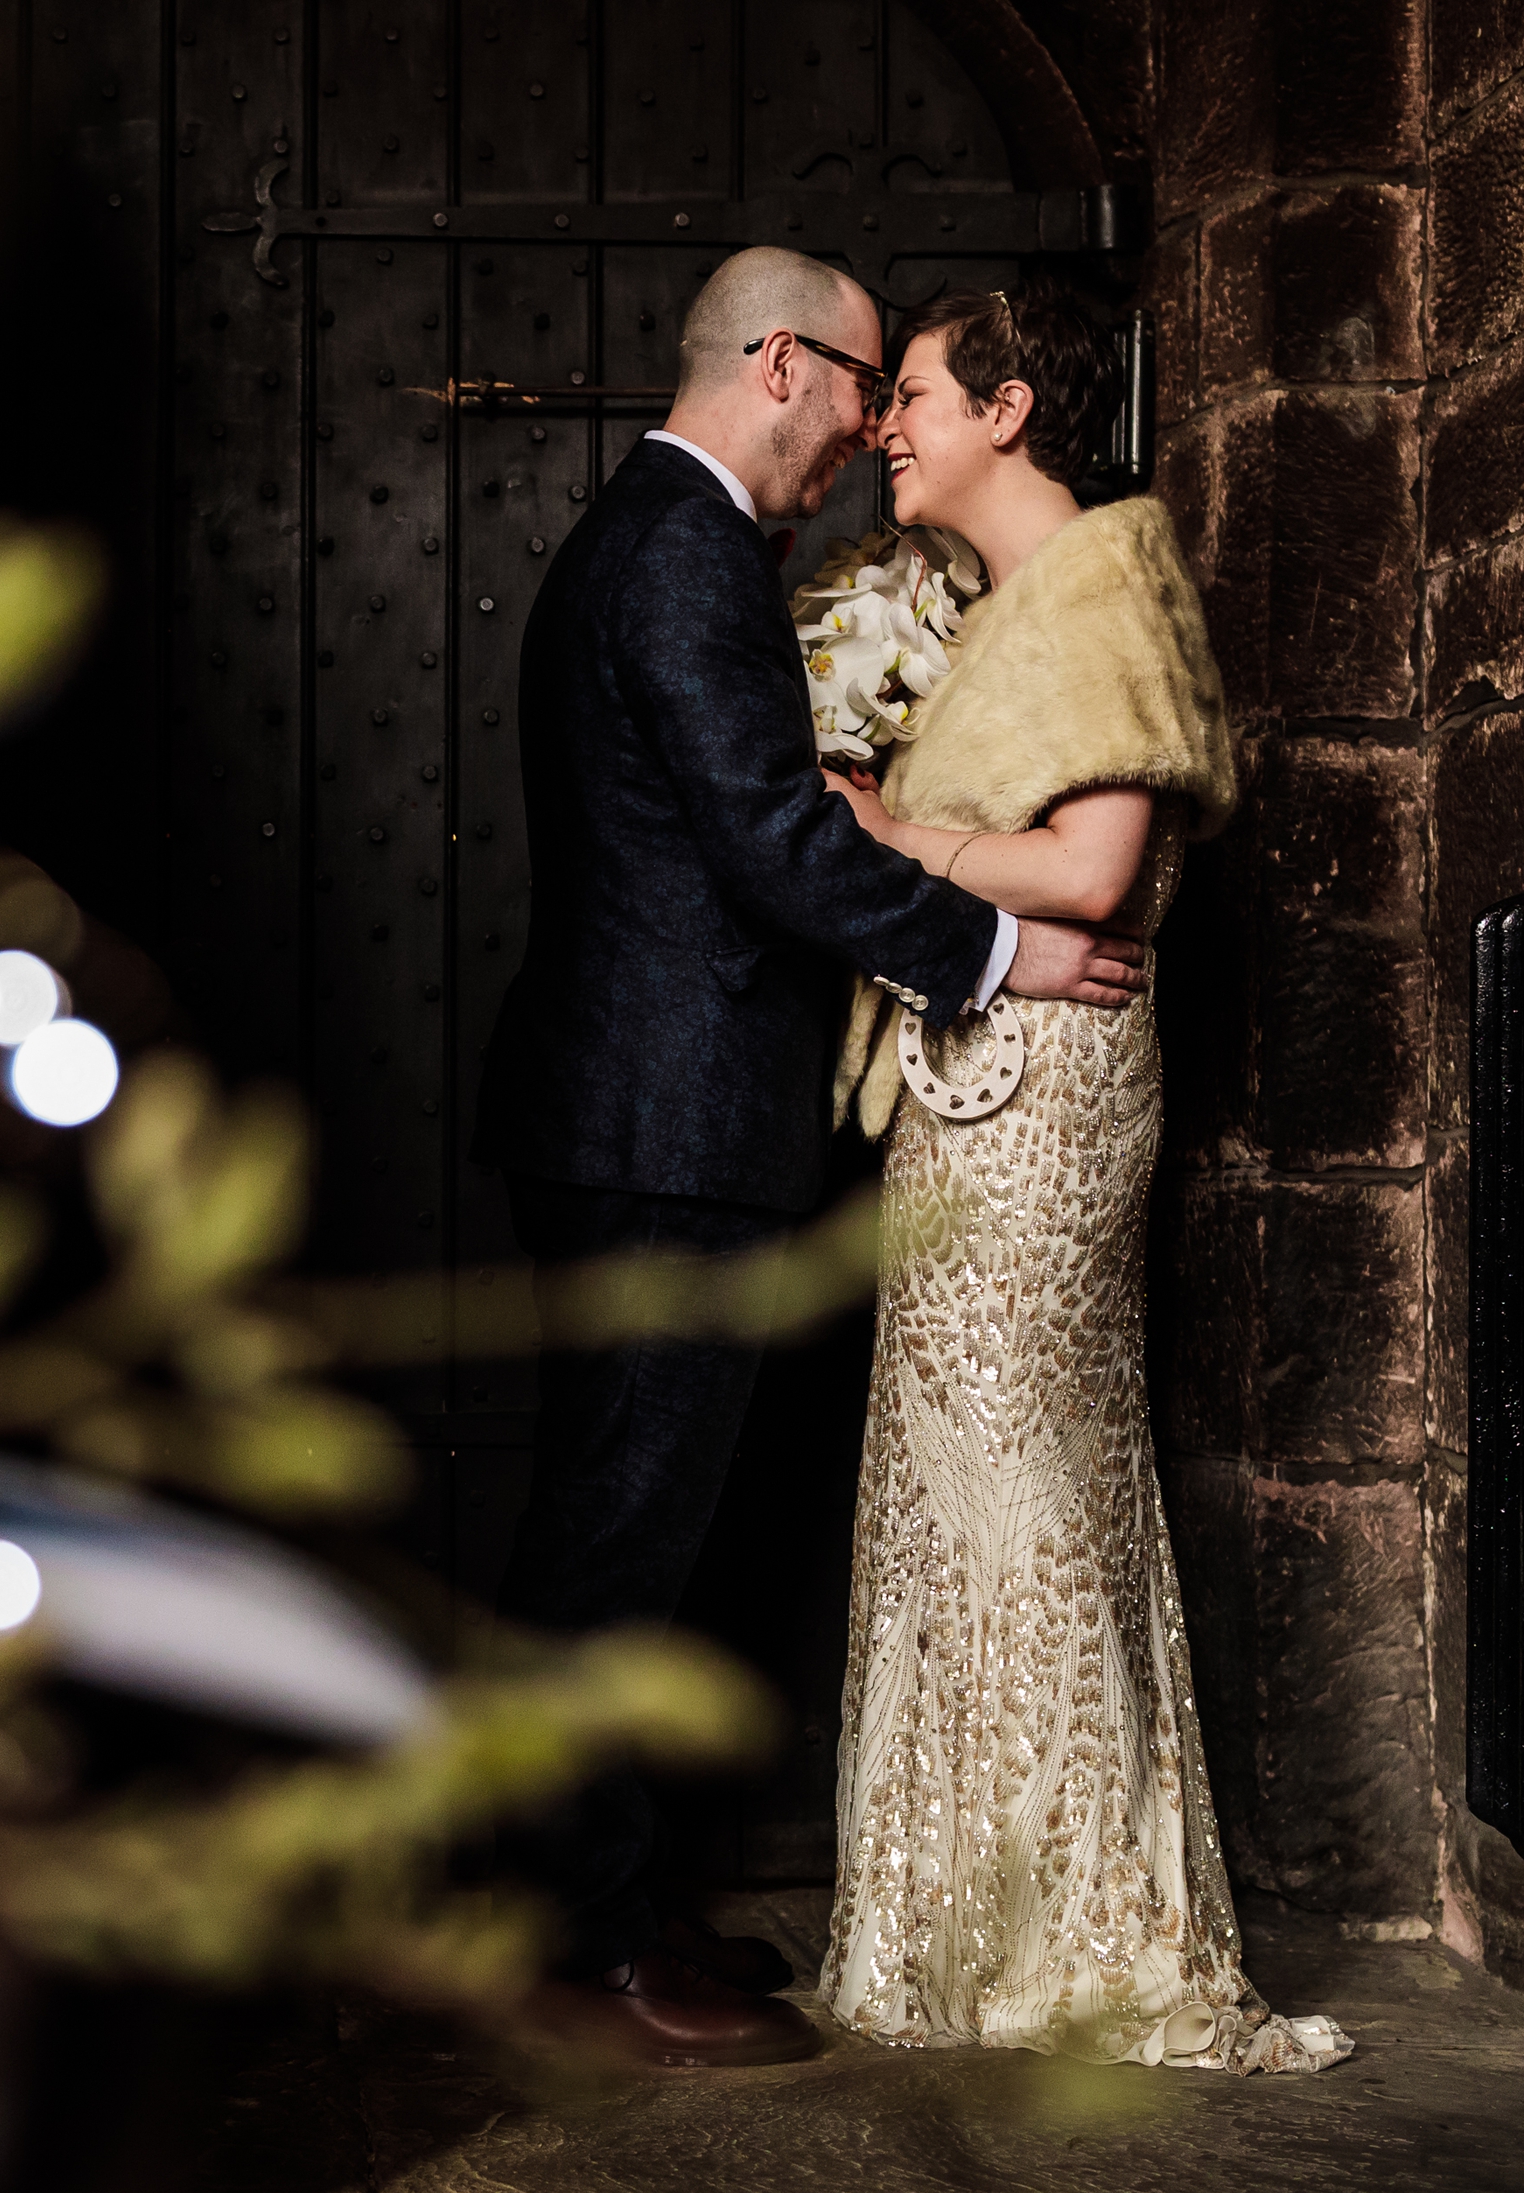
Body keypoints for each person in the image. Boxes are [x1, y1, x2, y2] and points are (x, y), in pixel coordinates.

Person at [470, 247, 1151, 2070]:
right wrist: (1011, 949)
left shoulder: (657, 537)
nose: (863, 440)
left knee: (628, 1527)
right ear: (782, 361)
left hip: (643, 1115)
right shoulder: (681, 546)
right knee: (616, 1538)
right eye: (859, 394)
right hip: (657, 1125)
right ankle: (574, 1943)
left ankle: (595, 1890)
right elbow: (773, 838)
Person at [812, 279, 1347, 2075]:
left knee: (1027, 1475)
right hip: (974, 1072)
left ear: (1013, 408)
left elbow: (1099, 868)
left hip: (1049, 1081)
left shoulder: (1108, 586)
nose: (887, 424)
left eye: (917, 396)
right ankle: (949, 1929)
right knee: (948, 1474)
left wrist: (898, 835)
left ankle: (1081, 1940)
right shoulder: (983, 606)